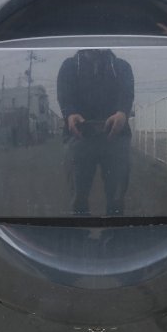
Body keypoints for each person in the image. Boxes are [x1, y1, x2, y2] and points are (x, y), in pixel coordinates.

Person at [56, 49, 134, 216]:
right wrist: (70, 114)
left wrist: (122, 113)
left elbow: (127, 95)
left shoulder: (121, 66)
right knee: (78, 198)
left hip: (115, 135)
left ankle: (114, 230)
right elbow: (64, 96)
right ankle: (80, 230)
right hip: (80, 135)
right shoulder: (70, 66)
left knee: (116, 200)